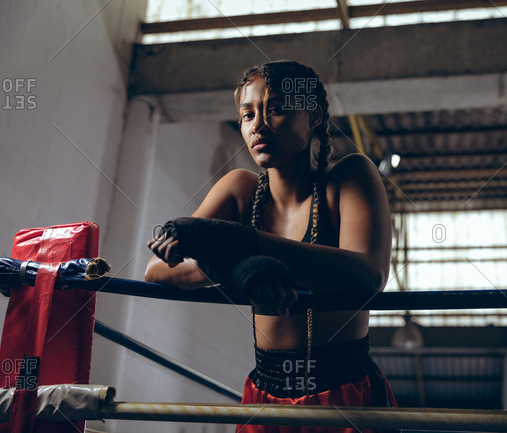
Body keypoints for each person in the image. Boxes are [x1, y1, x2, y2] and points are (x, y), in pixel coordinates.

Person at [146, 60, 398, 433]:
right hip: (265, 392)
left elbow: (369, 275)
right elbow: (158, 270)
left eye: (277, 109)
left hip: (342, 390)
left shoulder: (350, 177)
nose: (258, 125)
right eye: (247, 115)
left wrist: (244, 242)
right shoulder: (239, 189)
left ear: (312, 116)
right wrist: (242, 268)